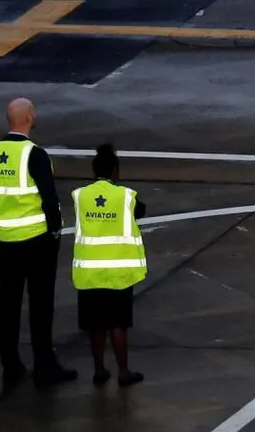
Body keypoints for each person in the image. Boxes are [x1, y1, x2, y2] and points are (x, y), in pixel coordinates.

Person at [0, 98, 77, 386]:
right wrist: (55, 230)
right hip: (37, 242)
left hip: (7, 241)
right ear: (29, 117)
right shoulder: (34, 154)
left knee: (8, 304)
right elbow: (49, 198)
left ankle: (10, 364)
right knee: (40, 304)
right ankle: (44, 364)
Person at [71, 143, 147, 387]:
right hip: (118, 273)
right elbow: (141, 210)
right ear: (115, 170)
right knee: (118, 324)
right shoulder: (125, 196)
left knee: (96, 325)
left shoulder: (80, 195)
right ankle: (123, 371)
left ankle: (99, 369)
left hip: (89, 273)